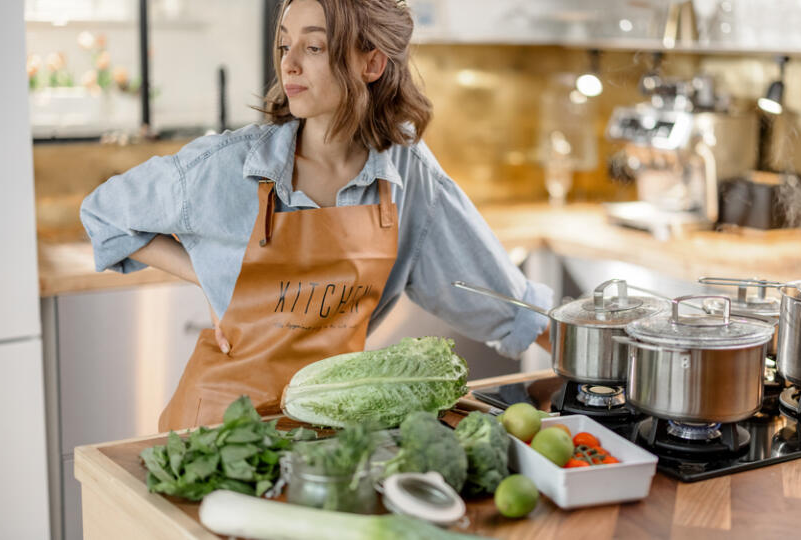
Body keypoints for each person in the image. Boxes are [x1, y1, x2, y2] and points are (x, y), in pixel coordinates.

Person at [80, 0, 552, 432]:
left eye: (313, 46)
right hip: (219, 434)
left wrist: (588, 363)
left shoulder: (406, 174)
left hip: (330, 436)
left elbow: (499, 297)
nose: (289, 63)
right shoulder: (225, 166)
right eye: (285, 44)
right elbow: (104, 214)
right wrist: (206, 275)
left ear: (371, 63)